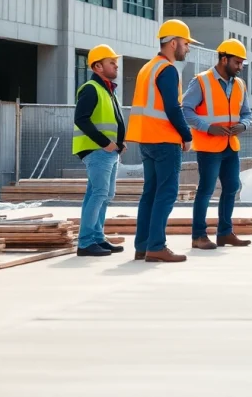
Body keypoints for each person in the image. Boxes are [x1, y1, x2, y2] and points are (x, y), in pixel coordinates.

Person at [127, 20, 199, 263]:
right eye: (186, 43)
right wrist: (187, 135)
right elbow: (172, 107)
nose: (187, 48)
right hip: (164, 139)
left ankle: (143, 245)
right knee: (166, 193)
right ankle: (156, 246)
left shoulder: (148, 68)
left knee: (150, 193)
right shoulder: (167, 70)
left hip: (146, 139)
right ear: (173, 42)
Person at [182, 38, 252, 250]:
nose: (240, 67)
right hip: (208, 146)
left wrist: (244, 125)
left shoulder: (239, 84)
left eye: (242, 63)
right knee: (206, 189)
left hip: (231, 146)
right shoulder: (201, 81)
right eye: (237, 62)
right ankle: (198, 236)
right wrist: (207, 127)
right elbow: (186, 109)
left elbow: (247, 113)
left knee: (232, 187)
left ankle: (224, 233)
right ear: (224, 59)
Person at [72, 44, 126, 257]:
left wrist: (119, 142)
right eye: (111, 63)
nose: (116, 66)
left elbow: (112, 120)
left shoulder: (107, 89)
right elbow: (81, 119)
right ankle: (85, 243)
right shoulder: (91, 88)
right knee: (100, 193)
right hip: (97, 151)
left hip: (109, 151)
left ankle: (97, 238)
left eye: (116, 63)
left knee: (103, 194)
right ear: (97, 66)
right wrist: (105, 143)